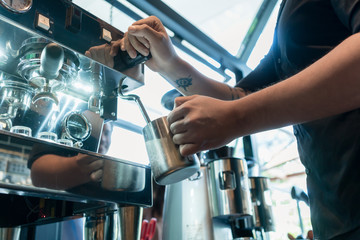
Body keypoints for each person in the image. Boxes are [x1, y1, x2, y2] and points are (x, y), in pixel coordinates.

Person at [111, 1, 360, 239]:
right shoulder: (287, 15)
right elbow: (240, 98)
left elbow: (237, 109)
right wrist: (169, 64)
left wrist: (236, 117)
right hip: (336, 218)